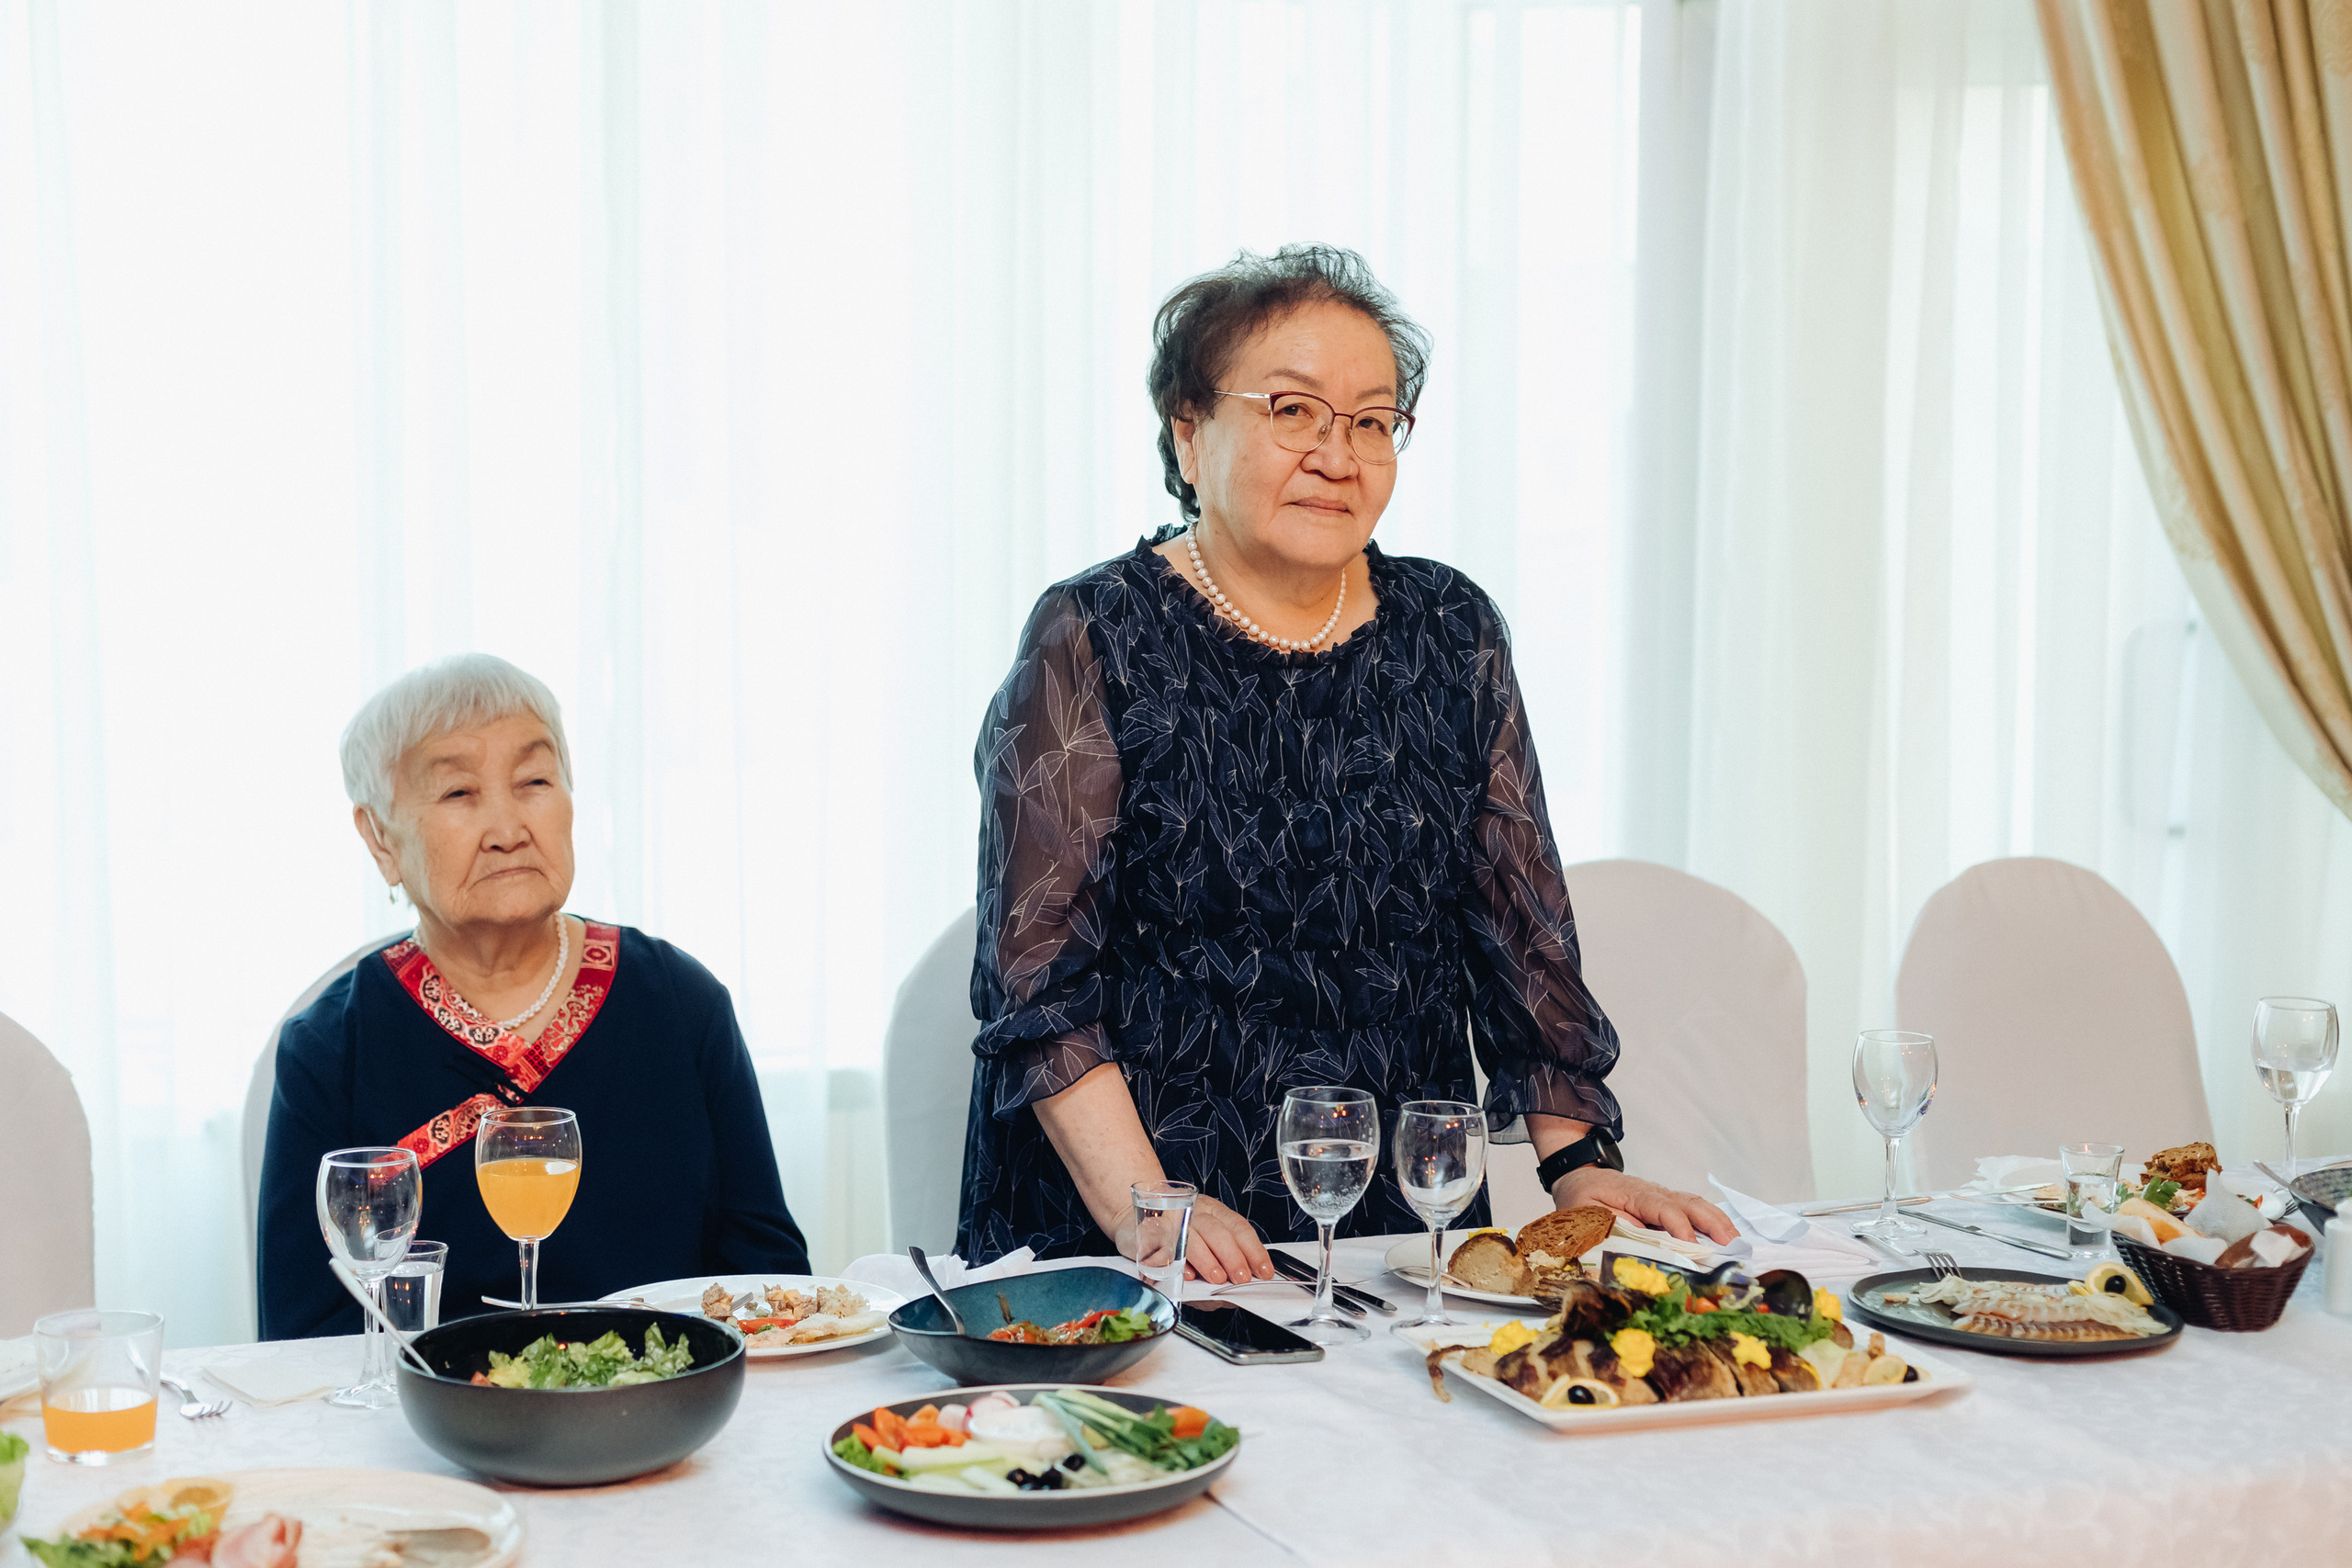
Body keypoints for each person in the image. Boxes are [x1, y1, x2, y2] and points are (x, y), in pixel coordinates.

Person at [958, 244, 1736, 1285]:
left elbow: (1518, 928)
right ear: (1189, 433)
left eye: (1373, 421)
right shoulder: (1093, 632)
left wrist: (1580, 1168)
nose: (1339, 453)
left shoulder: (1447, 627)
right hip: (1138, 1229)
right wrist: (1150, 1207)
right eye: (1292, 410)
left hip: (1382, 1220)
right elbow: (1038, 978)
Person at [257, 654, 808, 1338]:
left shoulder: (682, 1003)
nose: (509, 828)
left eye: (535, 780)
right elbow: (301, 1336)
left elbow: (772, 1279)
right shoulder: (331, 1049)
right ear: (379, 839)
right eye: (459, 793)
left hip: (662, 1419)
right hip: (429, 1435)